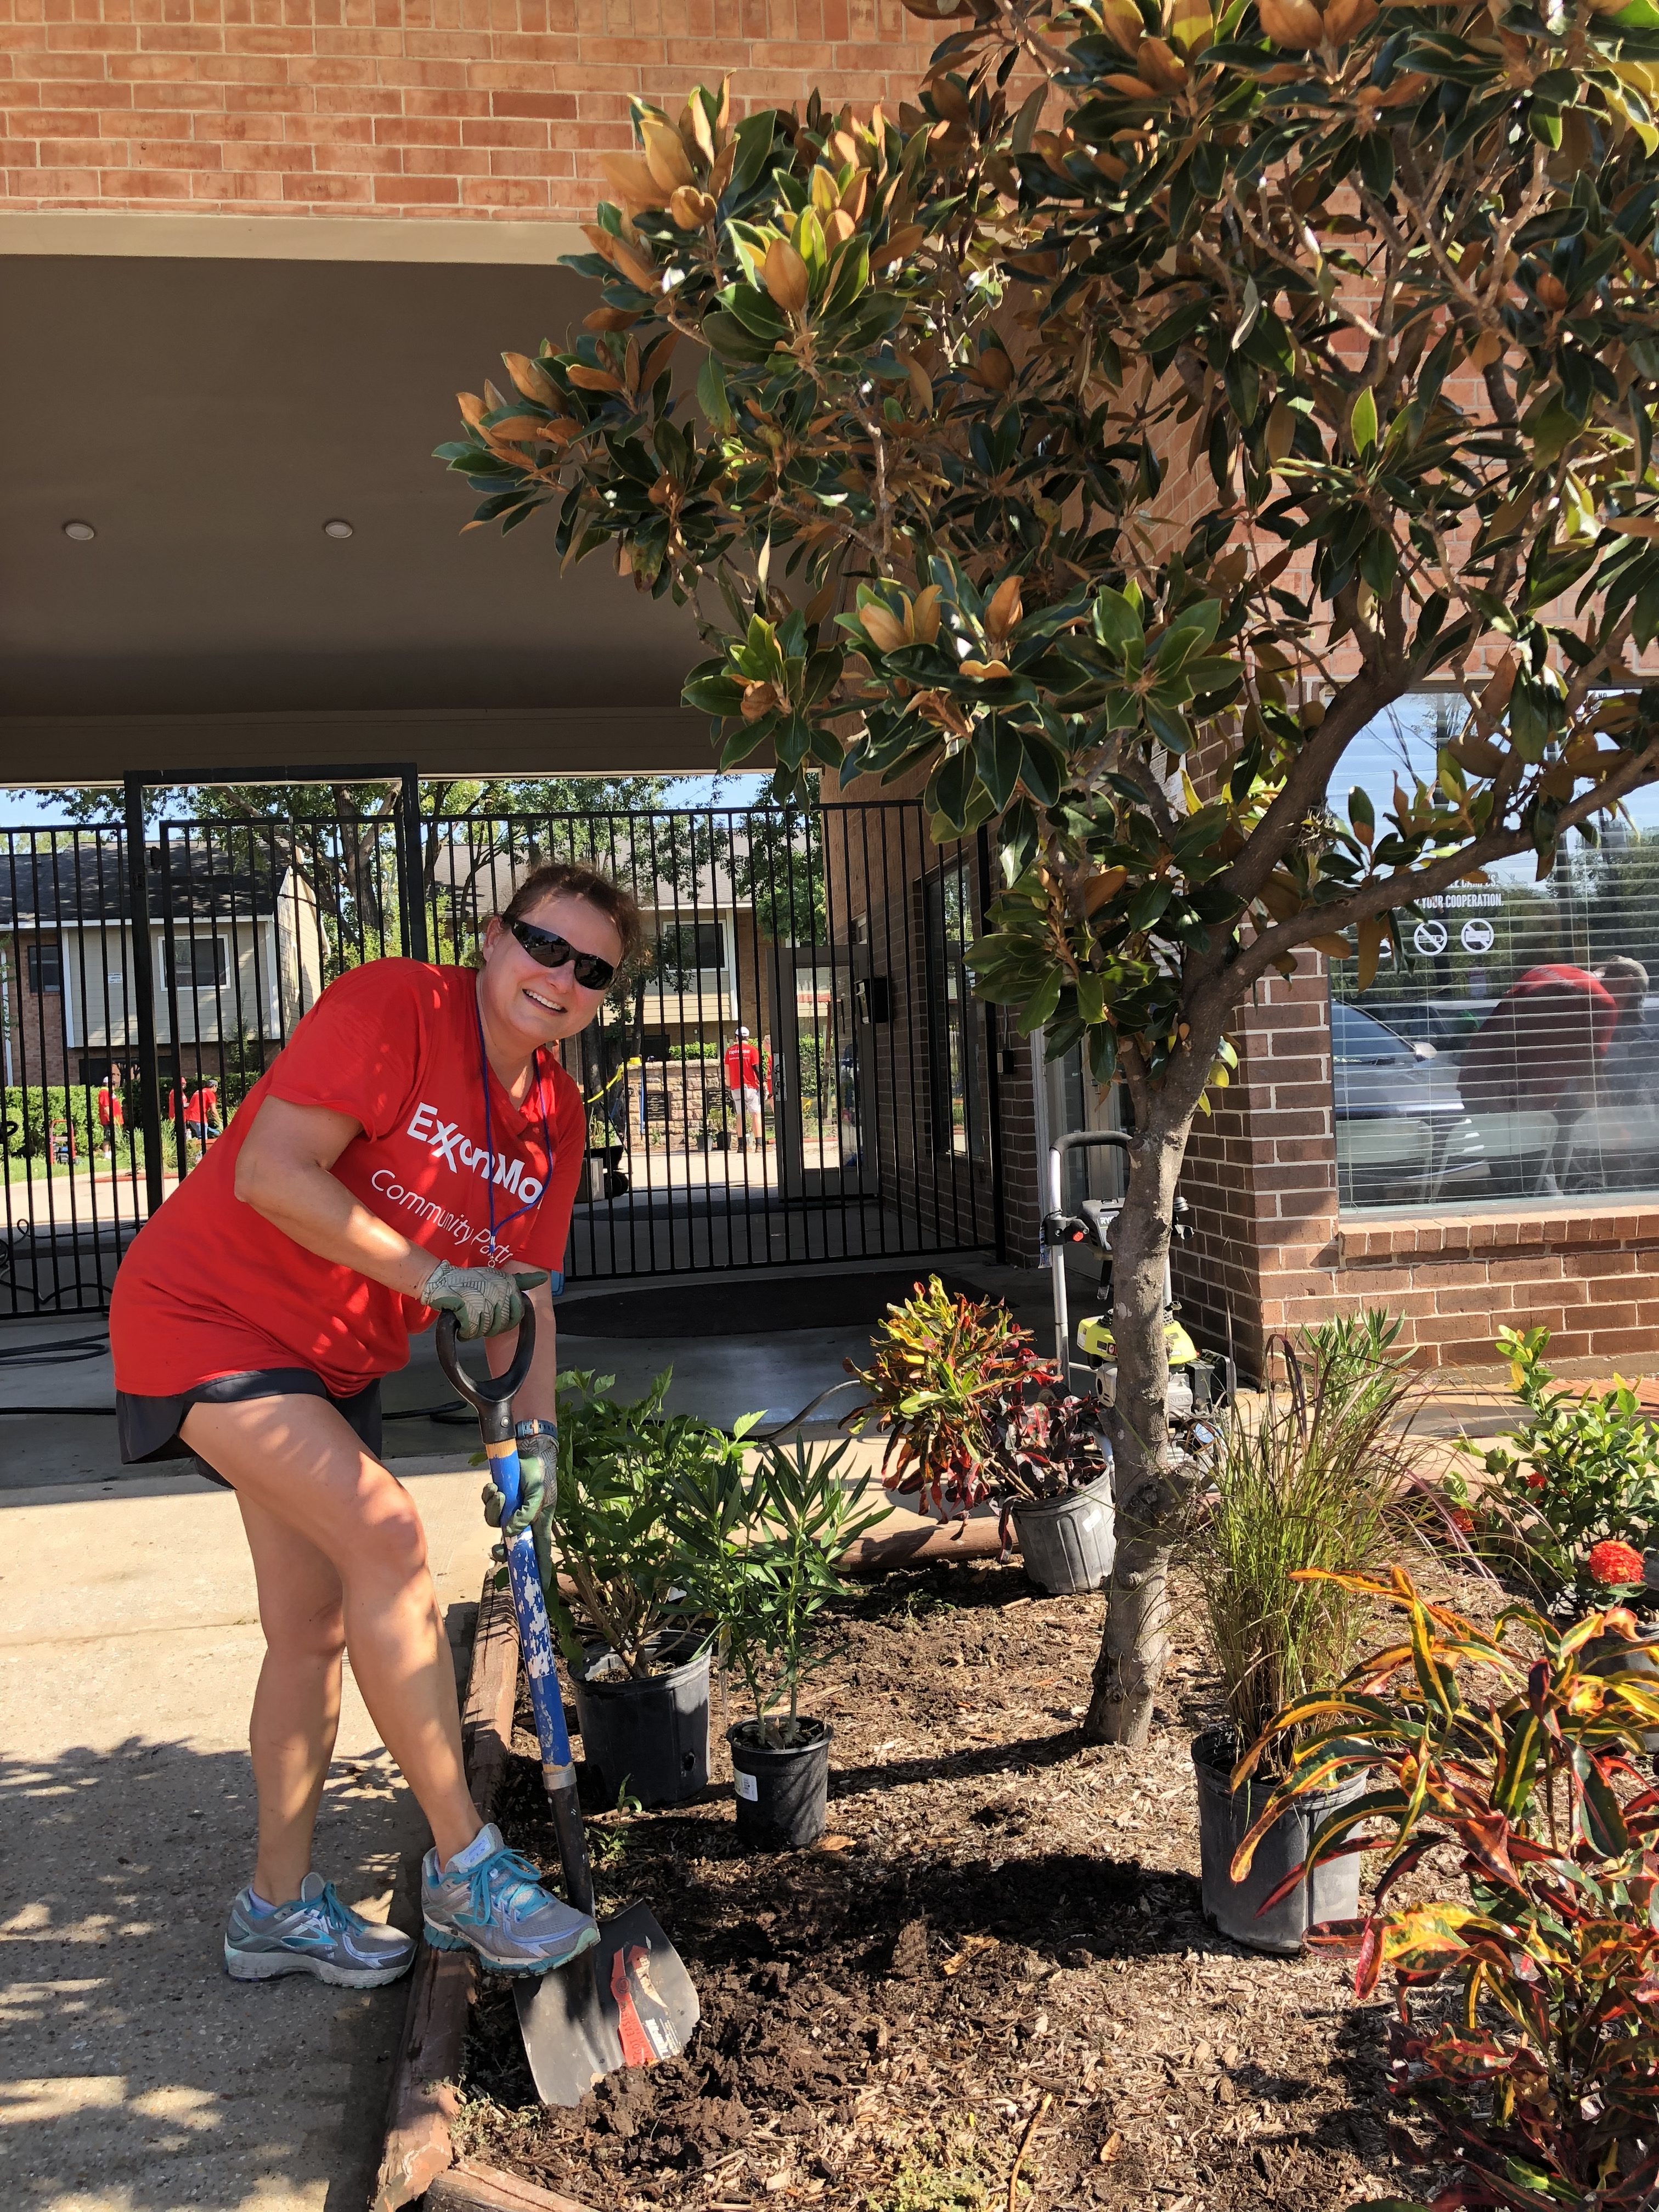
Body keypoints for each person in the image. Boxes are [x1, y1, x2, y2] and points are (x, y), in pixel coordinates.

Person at [109, 862, 641, 1993]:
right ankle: (465, 1868)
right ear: (492, 937)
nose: (560, 978)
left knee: (309, 1627)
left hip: (331, 1362)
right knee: (389, 1536)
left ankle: (275, 1908)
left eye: (591, 971)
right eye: (545, 945)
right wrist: (437, 1277)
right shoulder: (396, 1005)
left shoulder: (554, 1114)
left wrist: (537, 1442)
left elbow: (527, 1294)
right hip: (206, 1317)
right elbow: (271, 1172)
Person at [1457, 957, 1649, 1195]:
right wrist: (1615, 1131)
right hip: (1513, 1103)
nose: (1620, 1013)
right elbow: (1590, 1081)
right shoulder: (1600, 1001)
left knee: (1514, 1185)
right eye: (1628, 1004)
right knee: (1539, 1192)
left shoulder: (1547, 970)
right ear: (1626, 982)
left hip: (1477, 1088)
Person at [722, 1025, 768, 1150]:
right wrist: (763, 1083)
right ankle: (759, 1145)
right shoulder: (752, 1050)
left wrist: (729, 1084)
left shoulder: (730, 1052)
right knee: (756, 1114)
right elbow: (757, 1069)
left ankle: (742, 1146)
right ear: (748, 1037)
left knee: (740, 1115)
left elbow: (727, 1072)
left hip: (736, 1088)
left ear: (736, 1037)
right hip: (751, 1087)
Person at [95, 1075, 125, 1155]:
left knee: (113, 1137)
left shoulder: (110, 1093)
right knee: (108, 1136)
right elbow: (106, 1107)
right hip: (109, 1120)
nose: (114, 1086)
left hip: (115, 1119)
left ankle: (111, 1153)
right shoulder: (104, 1093)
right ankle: (106, 1154)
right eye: (113, 1084)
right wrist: (112, 1118)